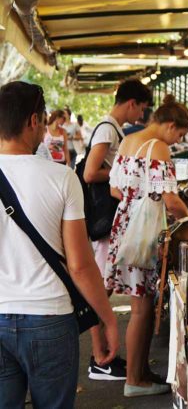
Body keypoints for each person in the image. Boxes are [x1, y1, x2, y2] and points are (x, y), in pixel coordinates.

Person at [0, 81, 119, 408]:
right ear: (33, 121)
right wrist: (106, 318)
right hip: (49, 317)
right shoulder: (62, 178)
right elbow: (80, 266)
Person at [104, 94, 188, 397]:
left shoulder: (129, 141)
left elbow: (116, 189)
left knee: (138, 303)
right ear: (169, 125)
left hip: (125, 227)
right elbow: (171, 199)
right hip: (143, 235)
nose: (178, 140)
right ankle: (134, 380)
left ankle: (140, 372)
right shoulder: (159, 148)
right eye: (179, 134)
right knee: (141, 308)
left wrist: (137, 201)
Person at [84, 78, 152, 381]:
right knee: (100, 289)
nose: (142, 115)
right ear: (132, 103)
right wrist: (122, 173)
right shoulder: (108, 129)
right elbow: (89, 172)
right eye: (142, 108)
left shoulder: (114, 129)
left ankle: (103, 354)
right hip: (105, 220)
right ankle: (99, 357)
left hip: (111, 219)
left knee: (103, 288)